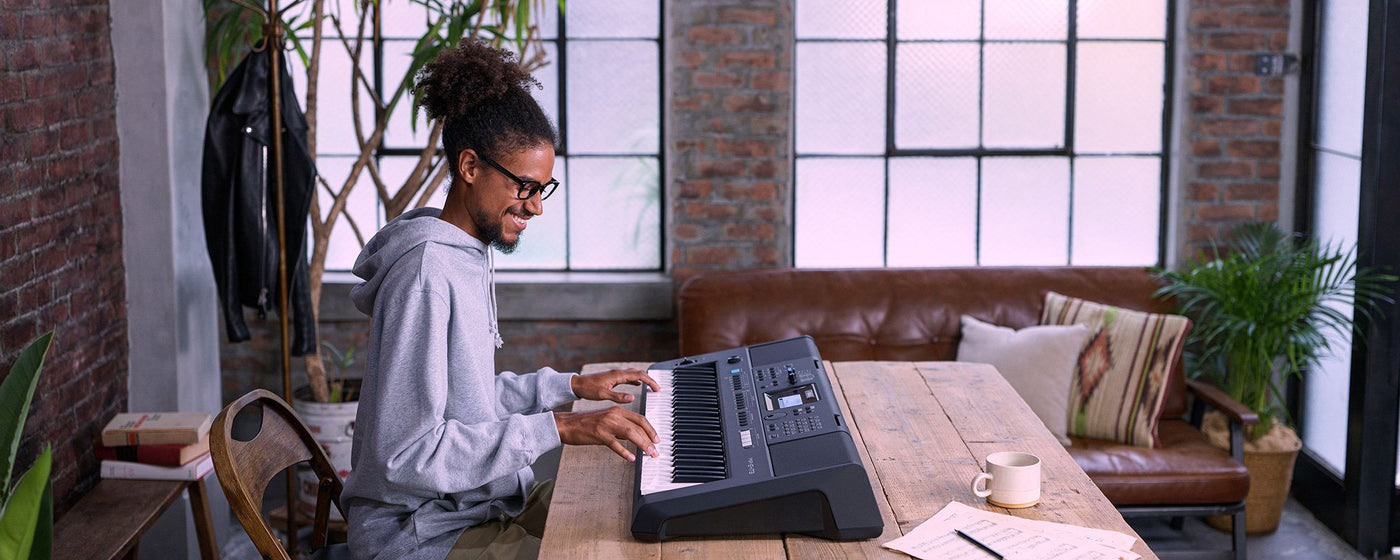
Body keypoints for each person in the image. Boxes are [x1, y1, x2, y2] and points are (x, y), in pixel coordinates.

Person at [340, 40, 660, 560]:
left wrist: (571, 387)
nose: (535, 206)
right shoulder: (425, 273)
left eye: (543, 188)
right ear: (470, 166)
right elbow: (405, 454)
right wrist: (559, 425)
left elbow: (465, 403)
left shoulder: (464, 255)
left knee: (626, 511)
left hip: (474, 507)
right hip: (420, 535)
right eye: (524, 187)